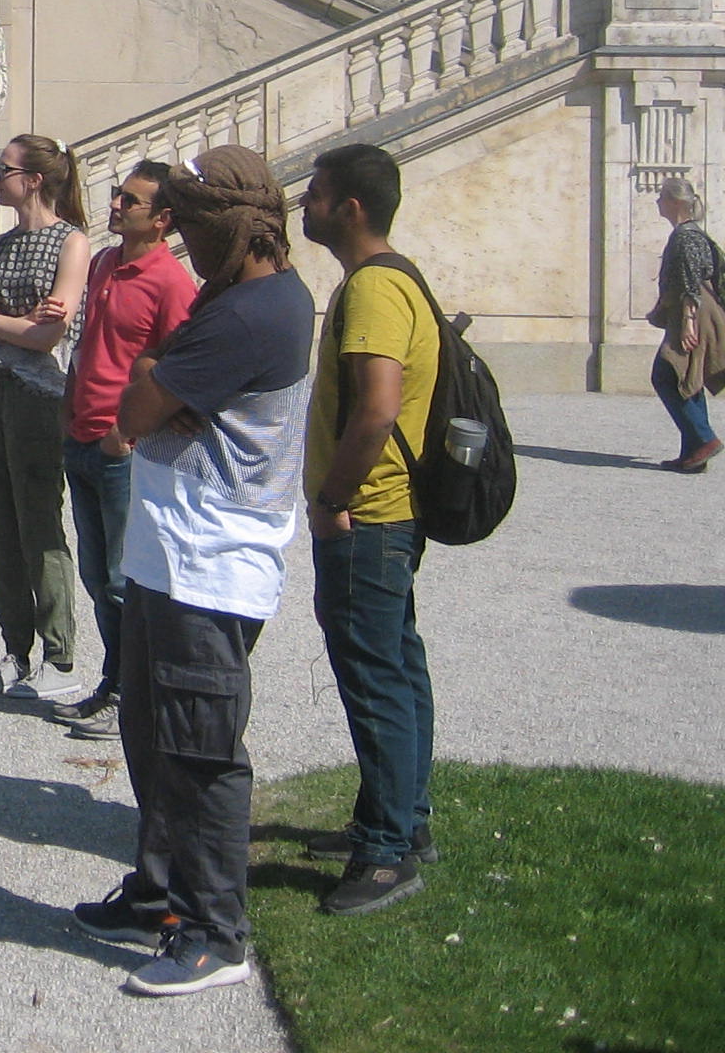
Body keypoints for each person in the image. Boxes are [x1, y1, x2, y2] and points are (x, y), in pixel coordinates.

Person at [71, 144, 313, 998]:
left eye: (201, 232)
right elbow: (153, 393)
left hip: (211, 563)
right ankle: (160, 891)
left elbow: (137, 406)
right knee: (150, 728)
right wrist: (157, 384)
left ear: (242, 233)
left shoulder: (252, 312)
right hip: (171, 555)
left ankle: (216, 929)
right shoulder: (239, 295)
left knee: (202, 748)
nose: (186, 247)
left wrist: (152, 384)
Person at [299, 142, 441, 916]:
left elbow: (377, 408)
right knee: (397, 665)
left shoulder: (374, 292)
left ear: (350, 207)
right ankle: (399, 821)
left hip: (370, 514)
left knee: (374, 676)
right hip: (390, 514)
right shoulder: (393, 278)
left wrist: (332, 495)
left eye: (316, 194)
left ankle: (386, 852)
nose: (305, 205)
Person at [58, 158, 196, 739]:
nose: (115, 205)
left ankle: (130, 693)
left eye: (130, 201)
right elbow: (89, 344)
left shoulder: (171, 282)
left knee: (121, 575)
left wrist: (126, 434)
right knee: (95, 572)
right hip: (81, 435)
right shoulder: (103, 263)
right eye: (117, 194)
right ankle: (114, 680)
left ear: (162, 219)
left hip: (122, 448)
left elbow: (177, 368)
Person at [0, 134, 92, 701]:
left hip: (37, 397)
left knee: (40, 525)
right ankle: (15, 648)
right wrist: (10, 319)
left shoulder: (72, 242)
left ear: (32, 179)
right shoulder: (2, 244)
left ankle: (58, 655)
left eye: (3, 169)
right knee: (1, 526)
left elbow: (48, 336)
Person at [648, 178, 725, 472]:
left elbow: (689, 283)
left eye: (661, 197)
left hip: (694, 312)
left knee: (666, 374)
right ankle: (692, 453)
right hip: (697, 309)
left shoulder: (684, 237)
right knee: (688, 377)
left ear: (675, 202)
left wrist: (688, 323)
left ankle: (705, 439)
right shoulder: (692, 233)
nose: (657, 201)